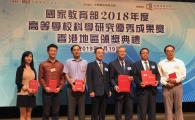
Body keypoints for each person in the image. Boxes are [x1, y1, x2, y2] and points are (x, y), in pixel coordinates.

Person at [158, 45, 186, 120]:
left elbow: (183, 75)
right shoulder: (161, 63)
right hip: (166, 87)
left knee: (179, 107)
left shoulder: (180, 62)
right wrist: (166, 83)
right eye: (168, 51)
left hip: (177, 86)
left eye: (171, 51)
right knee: (167, 107)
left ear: (174, 52)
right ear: (165, 53)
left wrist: (175, 80)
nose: (170, 52)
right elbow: (160, 77)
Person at [39, 44, 64, 120]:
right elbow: (40, 78)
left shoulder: (60, 65)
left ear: (56, 52)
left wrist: (60, 88)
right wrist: (45, 87)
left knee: (56, 111)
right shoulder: (43, 64)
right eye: (51, 50)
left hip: (57, 91)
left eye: (55, 51)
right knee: (46, 112)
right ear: (48, 52)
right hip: (47, 91)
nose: (53, 52)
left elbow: (62, 78)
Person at [134, 48, 160, 120]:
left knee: (152, 111)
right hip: (142, 90)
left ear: (148, 54)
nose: (145, 54)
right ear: (140, 55)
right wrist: (139, 83)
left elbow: (157, 74)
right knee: (142, 111)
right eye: (143, 53)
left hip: (152, 90)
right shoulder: (136, 64)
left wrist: (157, 81)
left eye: (146, 53)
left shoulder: (153, 63)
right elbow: (135, 76)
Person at [109, 46, 135, 120]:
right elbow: (111, 78)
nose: (122, 53)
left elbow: (133, 75)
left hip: (129, 92)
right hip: (118, 91)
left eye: (124, 51)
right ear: (117, 53)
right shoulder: (112, 64)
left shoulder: (130, 63)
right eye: (120, 51)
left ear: (125, 53)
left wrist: (132, 78)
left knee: (129, 113)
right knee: (118, 113)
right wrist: (115, 86)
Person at [87, 47, 112, 120]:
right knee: (95, 112)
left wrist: (109, 90)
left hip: (105, 92)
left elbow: (108, 79)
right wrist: (91, 91)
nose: (101, 54)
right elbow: (89, 79)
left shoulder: (106, 65)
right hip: (95, 92)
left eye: (102, 53)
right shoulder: (90, 65)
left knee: (103, 112)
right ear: (95, 54)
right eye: (99, 53)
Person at [63, 44, 87, 120]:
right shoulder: (68, 62)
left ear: (80, 51)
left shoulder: (85, 62)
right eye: (74, 50)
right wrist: (72, 84)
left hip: (82, 88)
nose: (76, 51)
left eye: (78, 50)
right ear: (72, 52)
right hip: (71, 87)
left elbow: (86, 75)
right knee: (71, 110)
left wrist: (84, 85)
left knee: (82, 110)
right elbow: (66, 74)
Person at [15, 51, 37, 120]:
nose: (29, 58)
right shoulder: (20, 68)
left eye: (30, 56)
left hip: (31, 94)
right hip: (23, 94)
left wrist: (34, 90)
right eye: (27, 56)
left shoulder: (33, 69)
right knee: (23, 115)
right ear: (24, 58)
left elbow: (34, 81)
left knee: (29, 115)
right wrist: (27, 89)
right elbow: (17, 81)